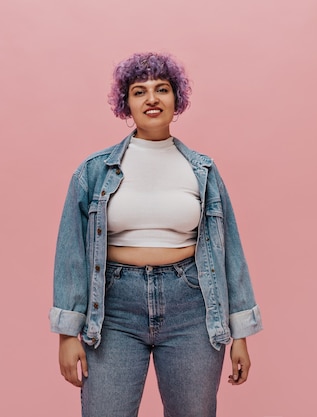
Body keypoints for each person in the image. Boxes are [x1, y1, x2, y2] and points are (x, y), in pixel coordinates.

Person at [49, 52, 263, 417]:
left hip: (191, 308)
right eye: (139, 91)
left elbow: (230, 253)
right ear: (125, 103)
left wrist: (239, 333)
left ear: (176, 99)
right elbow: (71, 256)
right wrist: (67, 334)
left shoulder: (202, 170)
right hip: (113, 309)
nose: (151, 98)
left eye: (162, 89)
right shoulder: (93, 170)